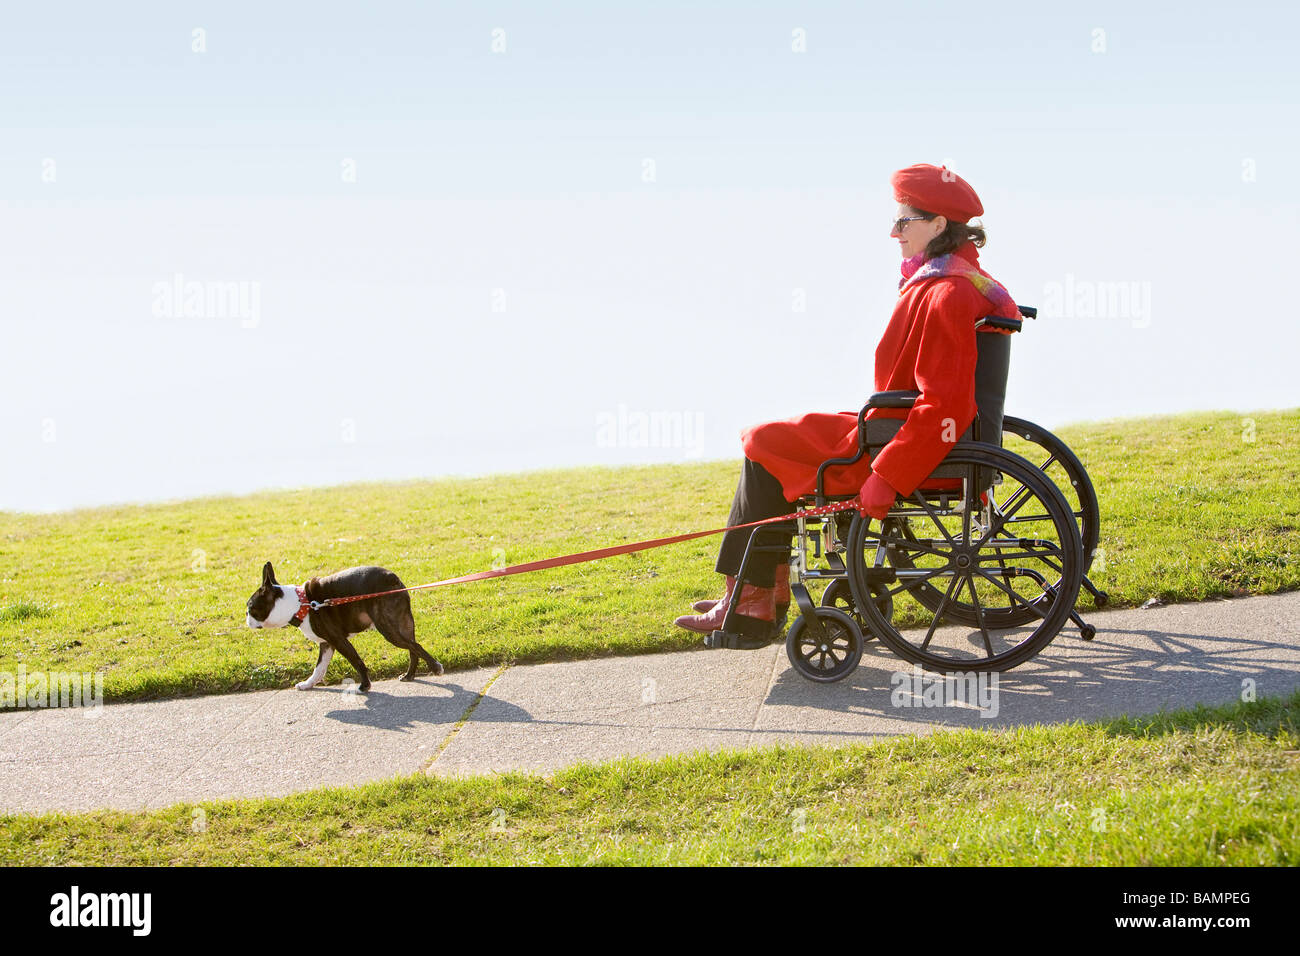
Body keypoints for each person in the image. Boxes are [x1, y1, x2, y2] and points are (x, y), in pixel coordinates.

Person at [674, 163, 1022, 646]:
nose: (894, 231)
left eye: (904, 220)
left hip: (895, 445)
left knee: (762, 442)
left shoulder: (946, 292)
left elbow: (947, 406)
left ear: (939, 224)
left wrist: (889, 476)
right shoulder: (955, 281)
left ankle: (752, 595)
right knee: (766, 439)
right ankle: (756, 591)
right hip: (894, 426)